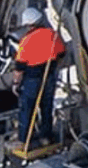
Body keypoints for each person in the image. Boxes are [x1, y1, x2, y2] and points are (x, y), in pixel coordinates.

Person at [13, 16, 67, 153]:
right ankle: (45, 137)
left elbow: (19, 67)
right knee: (46, 107)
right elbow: (62, 53)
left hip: (32, 79)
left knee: (27, 109)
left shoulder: (26, 40)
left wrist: (15, 84)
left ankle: (24, 141)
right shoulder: (52, 34)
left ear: (28, 24)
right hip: (49, 77)